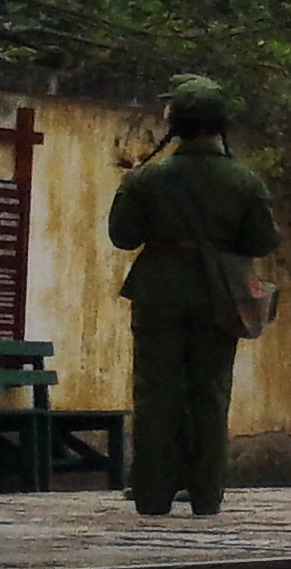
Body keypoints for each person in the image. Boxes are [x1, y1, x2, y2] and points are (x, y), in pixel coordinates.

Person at [108, 77, 278, 519]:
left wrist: (128, 187)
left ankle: (151, 494)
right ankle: (206, 494)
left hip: (158, 291)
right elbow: (261, 240)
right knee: (210, 392)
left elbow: (123, 236)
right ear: (221, 125)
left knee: (155, 392)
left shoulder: (148, 179)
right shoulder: (244, 182)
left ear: (176, 125)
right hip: (219, 296)